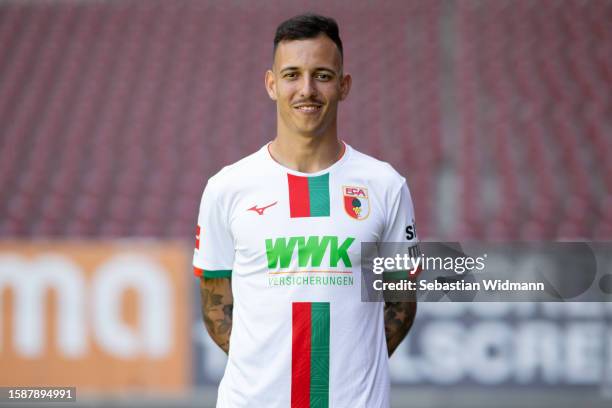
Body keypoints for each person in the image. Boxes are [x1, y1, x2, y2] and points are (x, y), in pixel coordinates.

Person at [193, 13, 418, 407]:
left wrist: (351, 368)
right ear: (271, 84)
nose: (307, 89)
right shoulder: (226, 188)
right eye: (292, 74)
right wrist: (267, 371)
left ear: (344, 86)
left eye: (323, 75)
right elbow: (216, 307)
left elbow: (401, 302)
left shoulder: (386, 186)